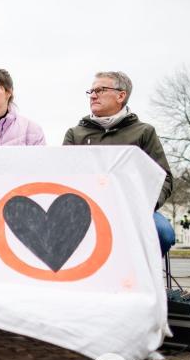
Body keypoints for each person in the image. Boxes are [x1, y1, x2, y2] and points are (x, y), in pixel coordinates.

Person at [62, 71, 176, 256]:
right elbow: (63, 175)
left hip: (132, 209)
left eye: (100, 90)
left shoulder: (144, 132)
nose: (93, 95)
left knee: (163, 233)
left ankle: (141, 279)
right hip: (85, 207)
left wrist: (144, 206)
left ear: (121, 95)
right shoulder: (75, 134)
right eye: (91, 91)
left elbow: (164, 178)